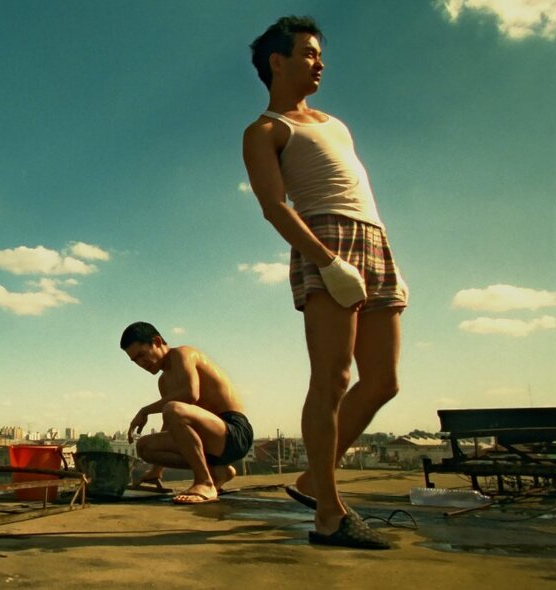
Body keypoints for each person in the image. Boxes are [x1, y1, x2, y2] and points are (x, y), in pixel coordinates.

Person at [242, 16, 408, 549]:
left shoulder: (336, 123)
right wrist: (330, 263)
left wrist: (378, 255)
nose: (321, 62)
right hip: (326, 241)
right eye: (309, 53)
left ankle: (315, 478)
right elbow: (275, 207)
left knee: (383, 380)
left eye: (319, 54)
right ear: (277, 61)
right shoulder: (265, 130)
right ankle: (329, 516)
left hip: (374, 239)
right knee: (333, 380)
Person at [120, 321, 254, 504]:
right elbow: (172, 425)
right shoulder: (164, 381)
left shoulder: (183, 354)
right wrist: (156, 471)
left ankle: (204, 483)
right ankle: (218, 471)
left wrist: (145, 411)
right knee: (144, 446)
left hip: (233, 432)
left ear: (157, 342)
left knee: (173, 408)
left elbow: (190, 394)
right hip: (209, 439)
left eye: (142, 355)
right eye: (135, 360)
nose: (141, 364)